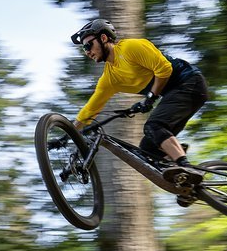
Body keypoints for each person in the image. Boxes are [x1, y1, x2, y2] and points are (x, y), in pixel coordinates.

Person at [70, 18, 209, 187]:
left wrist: (151, 96)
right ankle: (190, 186)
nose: (87, 52)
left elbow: (164, 68)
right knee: (146, 150)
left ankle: (187, 168)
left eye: (88, 46)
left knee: (153, 125)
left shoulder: (130, 48)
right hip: (177, 93)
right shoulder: (110, 78)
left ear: (104, 38)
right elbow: (90, 110)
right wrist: (69, 132)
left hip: (189, 82)